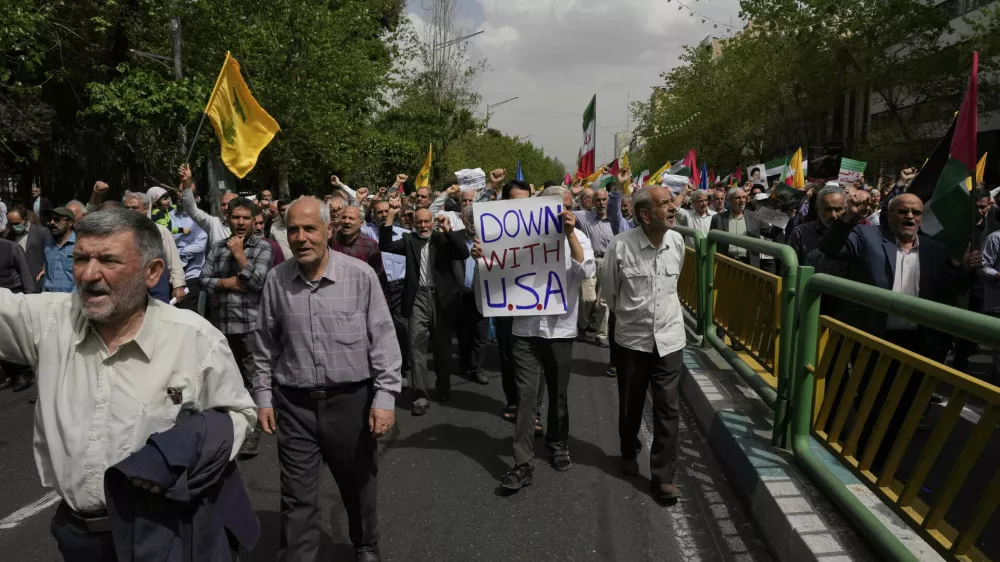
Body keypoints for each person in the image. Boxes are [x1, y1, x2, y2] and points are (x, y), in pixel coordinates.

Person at [0, 208, 256, 561]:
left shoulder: (195, 339)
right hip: (78, 539)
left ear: (151, 272)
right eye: (80, 258)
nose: (89, 274)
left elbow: (239, 415)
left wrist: (180, 453)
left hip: (166, 532)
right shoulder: (48, 322)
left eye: (108, 260)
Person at [253, 196, 400, 562]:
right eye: (294, 230)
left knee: (358, 486)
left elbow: (383, 340)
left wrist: (384, 398)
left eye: (309, 229)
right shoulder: (277, 280)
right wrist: (263, 395)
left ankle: (366, 545)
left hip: (351, 402)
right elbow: (264, 344)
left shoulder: (359, 275)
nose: (301, 238)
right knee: (297, 495)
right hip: (294, 404)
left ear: (328, 230)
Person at [819, 191, 980, 470]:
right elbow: (830, 248)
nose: (910, 217)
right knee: (872, 402)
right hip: (873, 340)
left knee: (904, 408)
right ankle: (861, 461)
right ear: (888, 215)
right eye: (903, 211)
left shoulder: (935, 251)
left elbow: (945, 290)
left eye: (916, 213)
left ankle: (878, 461)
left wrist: (965, 270)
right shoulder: (865, 236)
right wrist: (848, 216)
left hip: (916, 343)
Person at [475, 185, 594, 492]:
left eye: (567, 207)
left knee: (558, 393)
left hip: (560, 330)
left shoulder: (578, 237)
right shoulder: (518, 237)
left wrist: (568, 235)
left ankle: (557, 443)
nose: (562, 213)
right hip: (524, 329)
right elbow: (497, 274)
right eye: (556, 207)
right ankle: (522, 462)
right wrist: (484, 256)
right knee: (526, 396)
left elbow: (584, 271)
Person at [602, 186, 686, 504]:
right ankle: (628, 450)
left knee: (668, 408)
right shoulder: (620, 247)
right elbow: (610, 293)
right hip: (632, 342)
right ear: (645, 215)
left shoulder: (677, 242)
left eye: (671, 202)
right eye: (664, 204)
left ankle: (663, 477)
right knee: (631, 404)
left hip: (669, 340)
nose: (673, 207)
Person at [200, 197, 273, 457]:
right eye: (235, 217)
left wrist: (240, 255)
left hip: (251, 325)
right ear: (227, 219)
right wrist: (226, 284)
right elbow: (203, 279)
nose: (240, 222)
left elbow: (258, 282)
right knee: (228, 380)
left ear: (254, 220)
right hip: (221, 325)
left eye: (246, 218)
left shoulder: (263, 248)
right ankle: (230, 430)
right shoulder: (218, 247)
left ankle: (253, 432)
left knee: (254, 379)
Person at [379, 206, 469, 416]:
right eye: (419, 222)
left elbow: (463, 252)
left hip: (441, 299)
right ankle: (420, 395)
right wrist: (391, 216)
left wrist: (448, 231)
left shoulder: (442, 239)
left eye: (427, 221)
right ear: (414, 224)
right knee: (416, 345)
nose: (423, 226)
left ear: (433, 222)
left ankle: (443, 384)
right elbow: (386, 245)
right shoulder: (410, 241)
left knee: (442, 346)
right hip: (417, 296)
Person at [495, 180, 547, 424]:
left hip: (536, 302)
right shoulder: (493, 229)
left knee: (536, 358)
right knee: (507, 355)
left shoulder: (543, 228)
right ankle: (513, 401)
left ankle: (533, 410)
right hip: (506, 302)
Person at [121, 190, 187, 303]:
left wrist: (178, 285)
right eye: (127, 208)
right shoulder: (119, 233)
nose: (130, 212)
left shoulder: (160, 231)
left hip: (157, 287)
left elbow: (173, 259)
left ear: (146, 209)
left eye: (135, 208)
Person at [371, 200, 411, 387]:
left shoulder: (405, 235)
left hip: (399, 288)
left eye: (388, 211)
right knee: (377, 331)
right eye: (379, 212)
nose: (384, 215)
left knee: (401, 329)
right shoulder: (368, 233)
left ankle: (403, 368)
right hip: (376, 289)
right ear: (373, 213)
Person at [574, 184, 613, 347]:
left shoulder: (615, 220)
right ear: (593, 202)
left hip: (607, 261)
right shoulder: (584, 216)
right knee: (587, 298)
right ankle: (582, 326)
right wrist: (572, 194)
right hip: (589, 261)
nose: (601, 203)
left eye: (604, 199)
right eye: (598, 200)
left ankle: (601, 334)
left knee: (603, 302)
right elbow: (563, 212)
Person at [456, 204, 489, 385]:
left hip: (482, 292)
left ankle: (478, 368)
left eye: (475, 220)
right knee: (463, 333)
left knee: (481, 334)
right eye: (469, 220)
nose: (472, 224)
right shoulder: (457, 238)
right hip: (462, 293)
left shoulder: (488, 238)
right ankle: (465, 364)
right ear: (463, 220)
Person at [0, 237, 37, 392]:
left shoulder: (11, 248)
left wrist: (30, 299)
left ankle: (24, 373)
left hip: (14, 294)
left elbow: (25, 273)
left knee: (15, 335)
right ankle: (10, 374)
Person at [331, 205, 387, 291]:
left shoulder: (370, 246)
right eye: (344, 217)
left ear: (361, 223)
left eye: (351, 218)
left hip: (359, 294)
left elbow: (379, 278)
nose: (346, 221)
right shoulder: (334, 239)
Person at [178, 163, 236, 246]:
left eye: (230, 204)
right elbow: (191, 210)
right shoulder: (213, 223)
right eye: (223, 205)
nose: (226, 208)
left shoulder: (247, 224)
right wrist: (187, 182)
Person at [708, 187, 766, 267]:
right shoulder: (717, 218)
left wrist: (781, 218)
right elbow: (711, 243)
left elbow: (770, 232)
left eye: (744, 197)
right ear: (729, 200)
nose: (742, 200)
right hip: (725, 263)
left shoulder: (754, 217)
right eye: (738, 198)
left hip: (749, 264)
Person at [169, 194, 208, 311]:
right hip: (169, 276)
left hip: (191, 274)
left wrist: (176, 252)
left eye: (186, 192)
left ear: (195, 197)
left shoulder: (199, 219)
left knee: (188, 313)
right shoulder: (168, 216)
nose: (181, 195)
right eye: (179, 191)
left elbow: (200, 245)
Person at [5, 205, 50, 285]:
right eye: (11, 224)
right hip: (18, 282)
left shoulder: (42, 232)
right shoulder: (9, 236)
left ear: (25, 219)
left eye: (16, 223)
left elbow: (51, 253)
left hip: (37, 279)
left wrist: (45, 269)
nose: (14, 227)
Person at [42, 207, 78, 293]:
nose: (52, 222)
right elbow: (47, 276)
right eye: (50, 219)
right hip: (49, 300)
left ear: (70, 223)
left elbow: (83, 277)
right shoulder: (49, 246)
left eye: (57, 219)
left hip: (71, 301)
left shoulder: (79, 245)